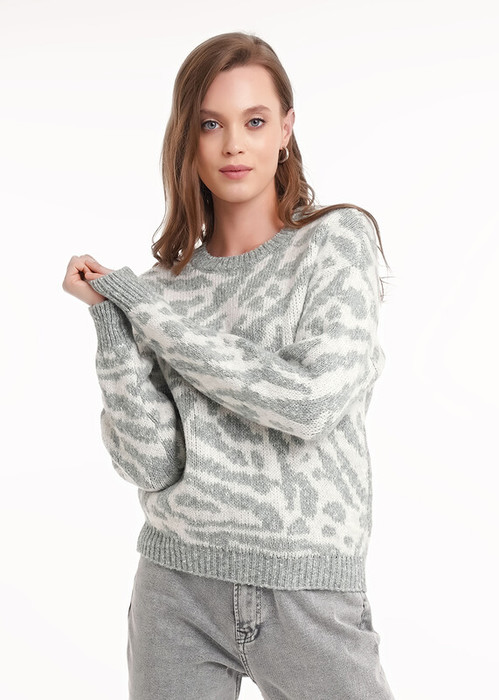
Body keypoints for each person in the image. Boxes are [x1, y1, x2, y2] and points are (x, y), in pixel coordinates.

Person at [63, 31, 395, 700]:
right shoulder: (161, 290)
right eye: (210, 124)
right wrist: (111, 321)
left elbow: (309, 402)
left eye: (255, 121)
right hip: (175, 593)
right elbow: (150, 465)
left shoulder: (335, 242)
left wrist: (143, 309)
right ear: (187, 138)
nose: (233, 144)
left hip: (307, 591)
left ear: (286, 130)